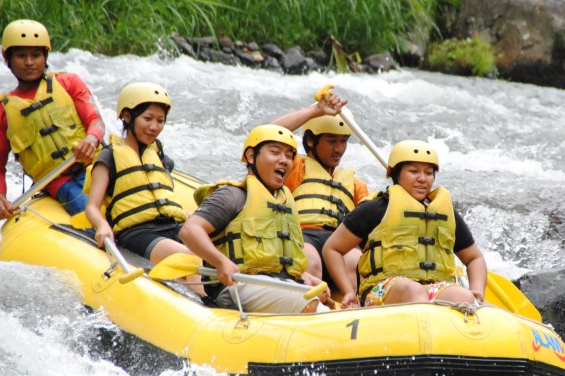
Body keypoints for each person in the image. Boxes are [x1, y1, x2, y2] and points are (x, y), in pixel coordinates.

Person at [179, 124, 328, 313]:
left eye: (289, 156)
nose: (284, 161)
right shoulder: (232, 195)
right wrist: (220, 262)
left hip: (279, 286)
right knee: (307, 303)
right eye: (275, 152)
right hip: (239, 285)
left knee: (323, 303)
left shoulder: (284, 203)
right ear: (251, 156)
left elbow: (272, 256)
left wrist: (304, 275)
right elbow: (190, 230)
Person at [323, 140, 487, 309]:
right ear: (397, 174)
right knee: (413, 291)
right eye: (413, 171)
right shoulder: (376, 208)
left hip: (432, 288)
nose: (422, 179)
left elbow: (474, 258)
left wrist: (477, 291)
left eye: (429, 173)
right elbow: (332, 248)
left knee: (462, 295)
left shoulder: (445, 213)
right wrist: (348, 290)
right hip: (382, 290)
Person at [84, 82, 202, 294]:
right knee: (192, 258)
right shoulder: (109, 156)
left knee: (216, 248)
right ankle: (210, 305)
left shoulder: (158, 155)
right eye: (147, 119)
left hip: (172, 226)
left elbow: (161, 200)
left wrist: (193, 217)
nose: (154, 126)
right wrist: (102, 226)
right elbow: (92, 206)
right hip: (138, 232)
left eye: (160, 120)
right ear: (127, 117)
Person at [0, 19, 105, 219]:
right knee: (89, 213)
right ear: (8, 60)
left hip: (96, 167)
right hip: (58, 182)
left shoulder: (69, 83)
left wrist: (92, 139)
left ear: (45, 56)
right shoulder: (2, 111)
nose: (29, 62)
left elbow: (96, 120)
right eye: (21, 56)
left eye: (36, 55)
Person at [271, 91, 370, 291]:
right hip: (302, 237)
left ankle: (353, 308)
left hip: (340, 242)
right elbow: (268, 133)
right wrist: (316, 111)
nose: (339, 149)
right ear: (310, 141)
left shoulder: (355, 184)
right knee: (311, 260)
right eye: (332, 140)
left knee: (356, 262)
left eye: (343, 141)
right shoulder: (294, 168)